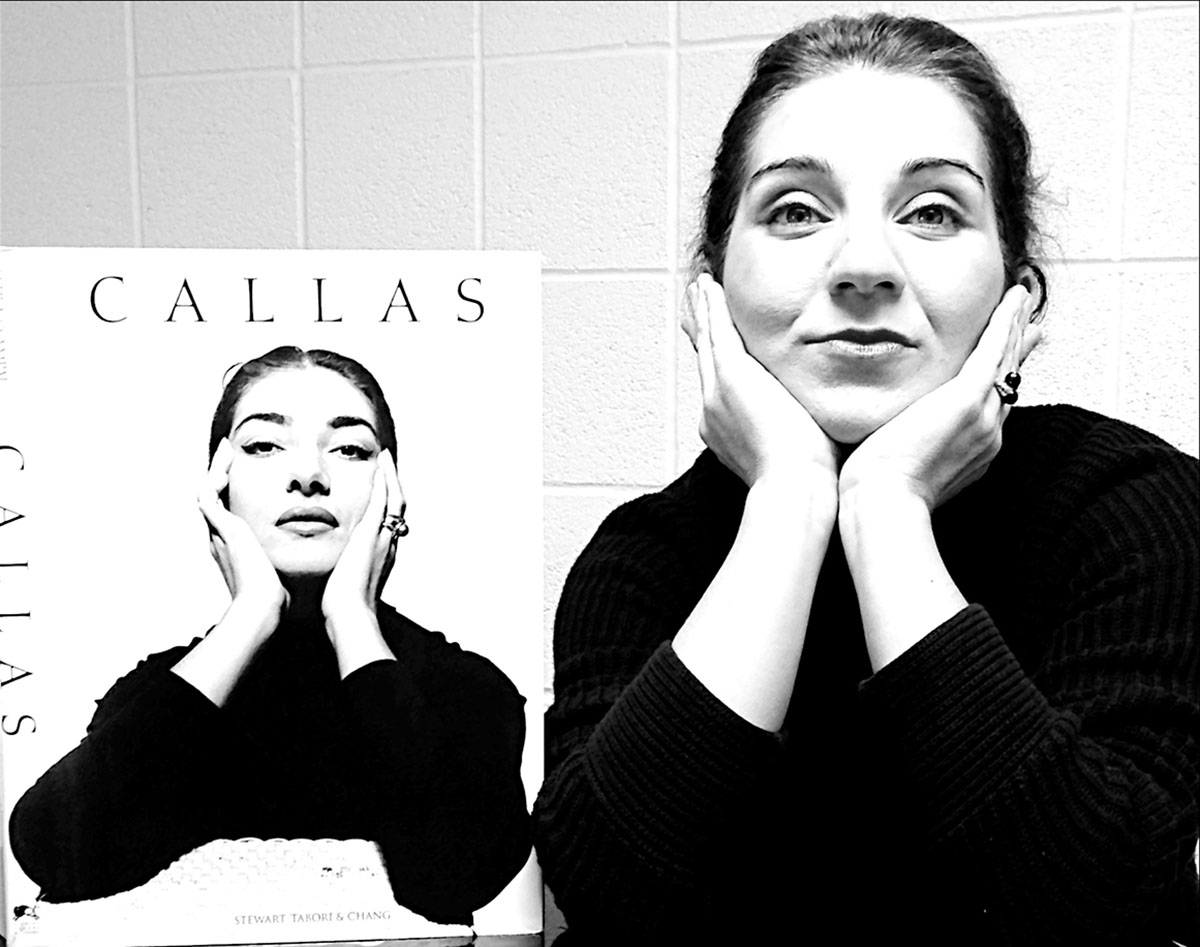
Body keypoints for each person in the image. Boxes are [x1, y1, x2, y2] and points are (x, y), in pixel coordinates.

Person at [535, 13, 1198, 946]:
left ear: (1022, 296)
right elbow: (612, 902)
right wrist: (791, 504)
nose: (863, 268)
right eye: (796, 211)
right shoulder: (641, 558)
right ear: (708, 291)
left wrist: (887, 510)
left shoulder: (1131, 508)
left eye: (932, 212)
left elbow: (1102, 905)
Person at [9, 346, 532, 925]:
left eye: (351, 449)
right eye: (263, 446)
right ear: (220, 489)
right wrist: (251, 613)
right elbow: (52, 851)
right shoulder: (168, 690)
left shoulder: (462, 688)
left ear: (391, 492)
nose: (309, 475)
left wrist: (352, 617)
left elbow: (458, 875)